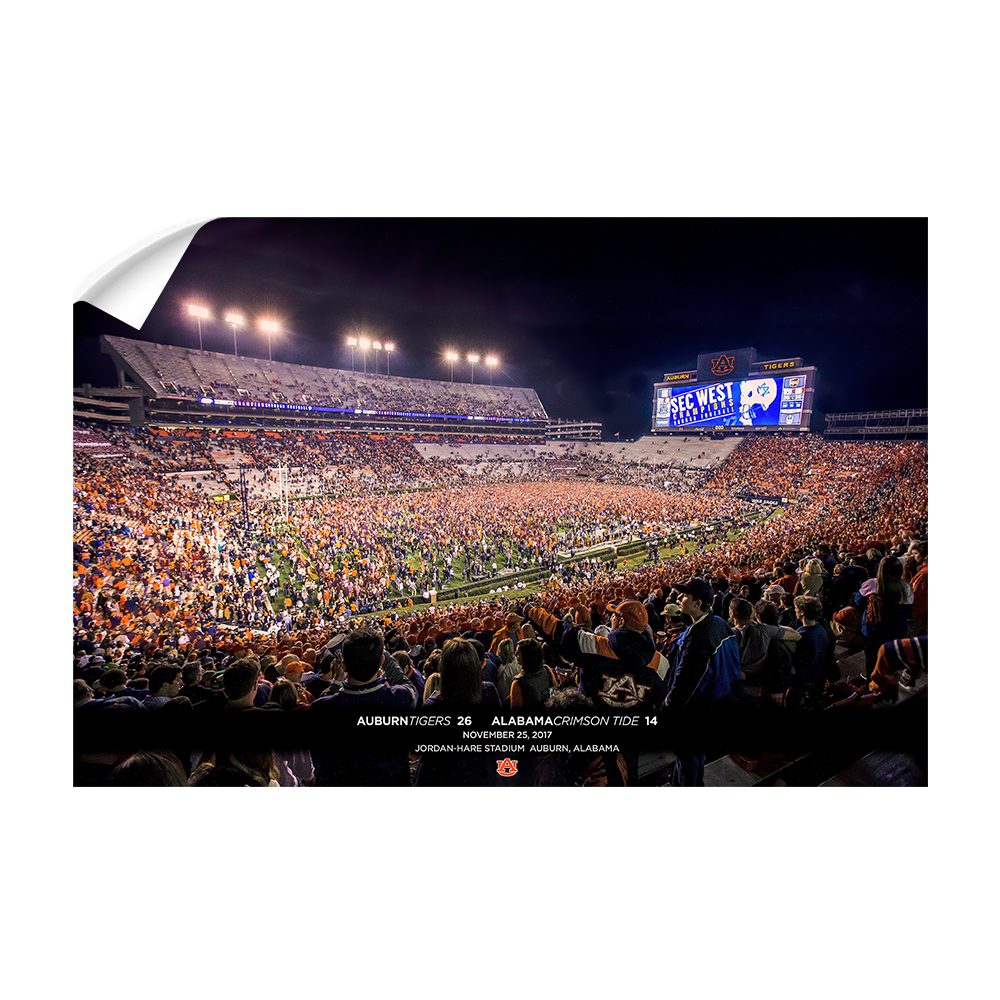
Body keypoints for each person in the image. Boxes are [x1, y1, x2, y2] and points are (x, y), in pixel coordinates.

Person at [309, 628, 417, 785]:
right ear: (381, 661)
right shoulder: (399, 698)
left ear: (344, 666)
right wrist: (385, 656)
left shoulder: (320, 710)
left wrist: (337, 682)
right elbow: (408, 685)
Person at [664, 578, 741, 786]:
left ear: (697, 603)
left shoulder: (699, 636)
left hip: (700, 708)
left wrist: (669, 706)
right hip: (721, 700)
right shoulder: (719, 623)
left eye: (685, 596)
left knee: (687, 755)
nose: (680, 599)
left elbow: (688, 682)